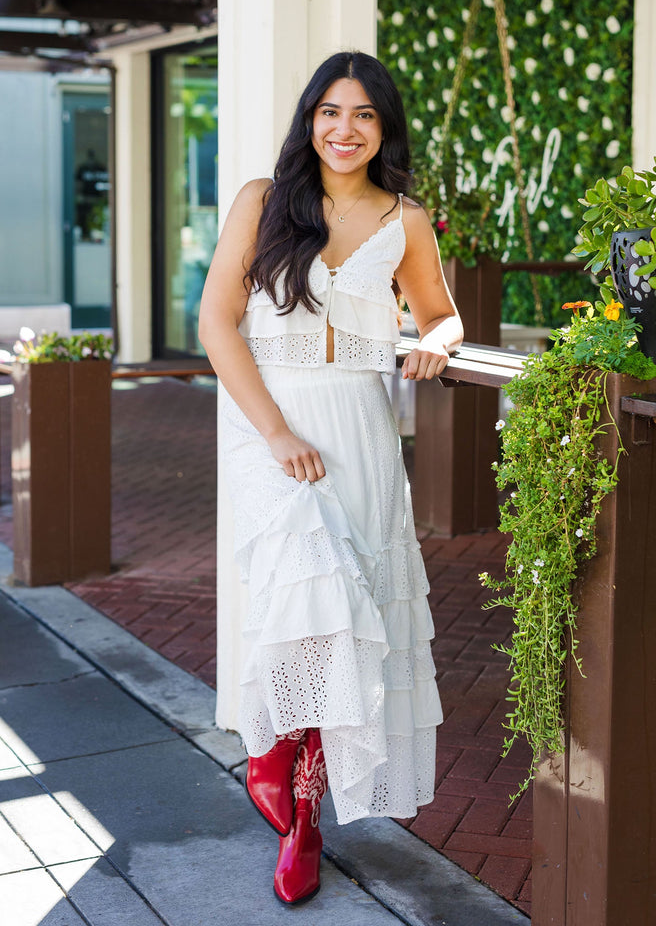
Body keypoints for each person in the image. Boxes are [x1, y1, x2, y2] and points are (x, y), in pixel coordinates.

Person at [198, 51, 463, 905]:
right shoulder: (262, 201)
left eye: (364, 115)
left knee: (353, 619)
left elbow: (442, 314)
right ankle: (272, 755)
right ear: (310, 119)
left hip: (360, 428)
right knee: (308, 602)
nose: (345, 130)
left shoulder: (405, 219)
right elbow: (216, 323)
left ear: (385, 128)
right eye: (330, 112)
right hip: (271, 423)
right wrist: (275, 433)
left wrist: (436, 343)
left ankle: (303, 818)